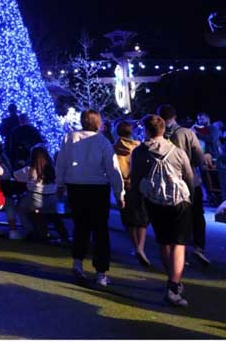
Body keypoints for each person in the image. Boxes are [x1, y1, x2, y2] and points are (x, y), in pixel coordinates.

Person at [131, 114, 196, 307]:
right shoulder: (176, 151)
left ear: (146, 130)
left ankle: (172, 280)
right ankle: (173, 286)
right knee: (179, 244)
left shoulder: (140, 152)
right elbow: (189, 176)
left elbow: (136, 179)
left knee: (164, 242)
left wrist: (135, 201)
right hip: (179, 201)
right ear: (163, 130)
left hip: (154, 201)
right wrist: (190, 196)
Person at [55, 109, 125, 287]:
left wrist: (60, 184)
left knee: (80, 225)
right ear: (98, 123)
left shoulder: (70, 138)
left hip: (76, 187)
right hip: (98, 188)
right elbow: (112, 168)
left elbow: (61, 162)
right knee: (100, 229)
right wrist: (119, 193)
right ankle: (101, 272)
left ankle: (78, 262)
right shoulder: (102, 141)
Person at [159, 104, 210, 266]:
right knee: (196, 215)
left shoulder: (157, 135)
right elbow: (199, 157)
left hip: (167, 183)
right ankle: (198, 247)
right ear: (175, 115)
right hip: (190, 181)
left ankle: (180, 251)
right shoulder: (187, 133)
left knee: (175, 218)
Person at [113, 120, 150, 267]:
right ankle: (141, 247)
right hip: (139, 186)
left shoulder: (113, 149)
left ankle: (135, 246)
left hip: (124, 187)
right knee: (142, 219)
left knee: (128, 219)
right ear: (131, 132)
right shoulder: (139, 147)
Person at [14, 145, 69, 242]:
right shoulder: (54, 170)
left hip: (35, 198)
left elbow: (15, 176)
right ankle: (62, 235)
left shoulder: (29, 170)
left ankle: (31, 231)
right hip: (53, 199)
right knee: (51, 214)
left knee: (20, 209)